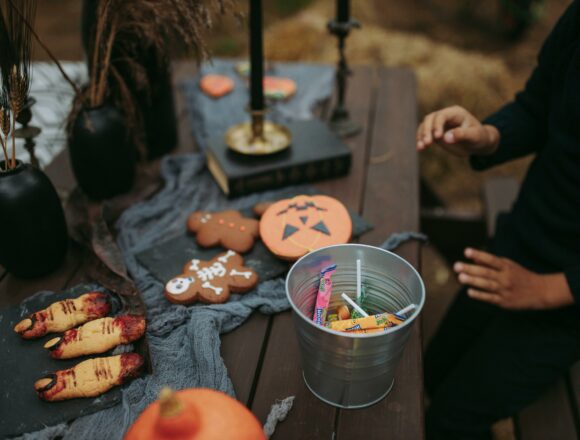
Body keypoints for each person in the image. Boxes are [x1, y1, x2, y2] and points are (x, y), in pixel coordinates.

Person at [416, 1, 580, 438]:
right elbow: (537, 107)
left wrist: (549, 290)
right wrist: (488, 136)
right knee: (431, 375)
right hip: (522, 240)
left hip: (566, 300)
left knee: (451, 420)